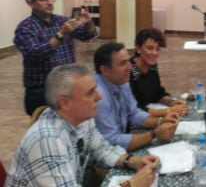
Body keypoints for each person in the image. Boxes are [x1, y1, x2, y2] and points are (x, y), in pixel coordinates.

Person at [6, 64, 159, 187]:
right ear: (65, 103)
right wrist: (132, 185)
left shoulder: (83, 119)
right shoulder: (46, 141)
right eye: (90, 93)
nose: (99, 96)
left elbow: (101, 149)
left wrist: (132, 161)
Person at [14, 0, 97, 116]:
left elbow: (87, 35)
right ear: (30, 2)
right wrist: (61, 34)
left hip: (67, 87)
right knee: (46, 132)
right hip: (41, 91)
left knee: (70, 127)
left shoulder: (61, 21)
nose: (49, 2)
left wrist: (89, 23)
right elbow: (35, 54)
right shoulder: (25, 28)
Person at [94, 42, 179, 151]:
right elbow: (112, 142)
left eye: (128, 61)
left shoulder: (121, 81)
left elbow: (133, 113)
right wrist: (154, 134)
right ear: (105, 70)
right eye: (123, 63)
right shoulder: (98, 96)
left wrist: (160, 121)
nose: (129, 67)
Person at [130, 28, 188, 117]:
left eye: (157, 49)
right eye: (150, 48)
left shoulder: (152, 66)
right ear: (138, 48)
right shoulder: (129, 70)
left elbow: (157, 93)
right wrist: (169, 111)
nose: (154, 53)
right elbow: (135, 109)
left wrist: (172, 102)